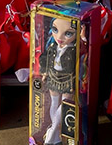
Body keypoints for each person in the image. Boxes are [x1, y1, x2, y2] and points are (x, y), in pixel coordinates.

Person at [39, 17, 77, 145]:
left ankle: (52, 132)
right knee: (54, 103)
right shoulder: (52, 45)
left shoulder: (74, 48)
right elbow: (44, 58)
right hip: (53, 76)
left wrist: (83, 37)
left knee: (65, 104)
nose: (59, 37)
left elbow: (83, 58)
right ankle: (55, 136)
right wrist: (44, 71)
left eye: (68, 33)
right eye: (55, 29)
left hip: (67, 79)